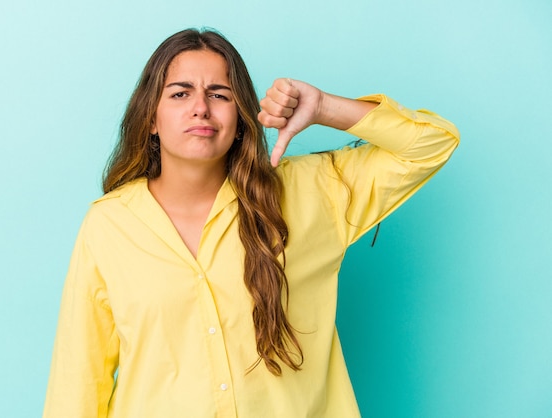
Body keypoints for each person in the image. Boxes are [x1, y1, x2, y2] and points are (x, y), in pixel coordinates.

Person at [43, 28, 459, 418]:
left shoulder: (313, 191)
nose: (200, 107)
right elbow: (78, 381)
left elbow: (432, 144)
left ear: (242, 117)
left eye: (219, 94)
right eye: (180, 93)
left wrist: (323, 107)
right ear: (151, 117)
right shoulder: (108, 225)